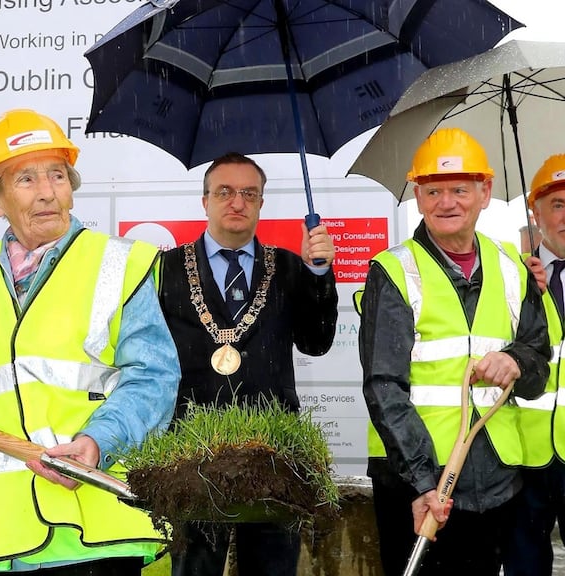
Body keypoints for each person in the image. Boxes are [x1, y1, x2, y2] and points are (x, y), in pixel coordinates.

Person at [0, 108, 180, 576]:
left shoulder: (117, 265)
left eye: (57, 176)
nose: (47, 192)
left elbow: (155, 377)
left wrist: (97, 440)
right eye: (26, 179)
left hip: (93, 531)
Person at [358, 128, 550, 576]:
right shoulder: (393, 271)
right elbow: (383, 386)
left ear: (485, 192)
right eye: (434, 191)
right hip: (416, 484)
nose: (447, 203)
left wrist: (517, 361)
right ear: (419, 198)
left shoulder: (513, 267)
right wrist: (425, 481)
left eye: (460, 190)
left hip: (497, 480)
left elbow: (538, 365)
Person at [157, 152, 338, 576]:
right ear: (205, 201)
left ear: (260, 203)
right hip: (191, 457)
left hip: (274, 460)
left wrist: (319, 274)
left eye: (248, 194)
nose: (236, 202)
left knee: (273, 570)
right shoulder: (164, 271)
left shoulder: (294, 268)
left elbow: (317, 342)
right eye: (224, 192)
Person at [504, 154, 565, 576]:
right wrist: (526, 290)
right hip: (524, 459)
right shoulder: (510, 273)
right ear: (536, 211)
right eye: (558, 204)